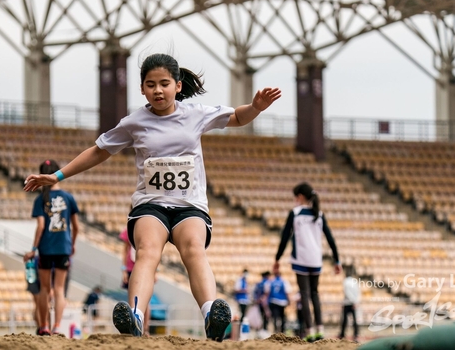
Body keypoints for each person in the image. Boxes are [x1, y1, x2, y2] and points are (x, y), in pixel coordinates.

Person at [23, 53, 281, 341]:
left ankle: (211, 314)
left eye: (164, 83)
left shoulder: (196, 114)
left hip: (189, 205)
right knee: (147, 251)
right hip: (150, 205)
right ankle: (134, 315)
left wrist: (256, 108)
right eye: (150, 84)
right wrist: (57, 177)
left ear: (178, 86)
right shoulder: (134, 122)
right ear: (142, 89)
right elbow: (99, 151)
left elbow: (236, 117)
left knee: (194, 248)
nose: (158, 90)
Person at [274, 182, 341, 342]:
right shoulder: (319, 214)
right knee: (315, 294)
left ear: (301, 197)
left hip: (301, 258)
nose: (295, 200)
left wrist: (277, 258)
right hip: (316, 259)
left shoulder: (296, 213)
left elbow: (284, 237)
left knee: (304, 294)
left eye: (296, 197)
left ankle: (309, 331)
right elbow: (330, 238)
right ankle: (320, 330)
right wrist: (337, 260)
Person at [23, 160, 80, 336]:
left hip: (46, 249)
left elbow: (40, 227)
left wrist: (33, 248)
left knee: (44, 289)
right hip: (63, 247)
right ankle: (56, 327)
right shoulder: (68, 197)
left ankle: (44, 326)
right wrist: (72, 244)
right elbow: (76, 226)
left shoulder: (41, 199)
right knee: (60, 289)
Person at [338, 266, 360, 342]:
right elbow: (358, 293)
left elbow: (347, 293)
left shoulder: (346, 281)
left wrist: (353, 301)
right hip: (353, 303)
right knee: (354, 320)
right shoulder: (355, 281)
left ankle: (342, 334)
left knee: (345, 320)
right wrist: (356, 302)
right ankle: (356, 335)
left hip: (347, 303)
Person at [268, 264, 290, 334]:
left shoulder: (271, 282)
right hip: (282, 302)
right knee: (282, 317)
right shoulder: (284, 281)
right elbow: (287, 292)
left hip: (273, 301)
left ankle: (275, 331)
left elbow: (267, 292)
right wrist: (289, 300)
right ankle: (282, 331)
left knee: (275, 317)